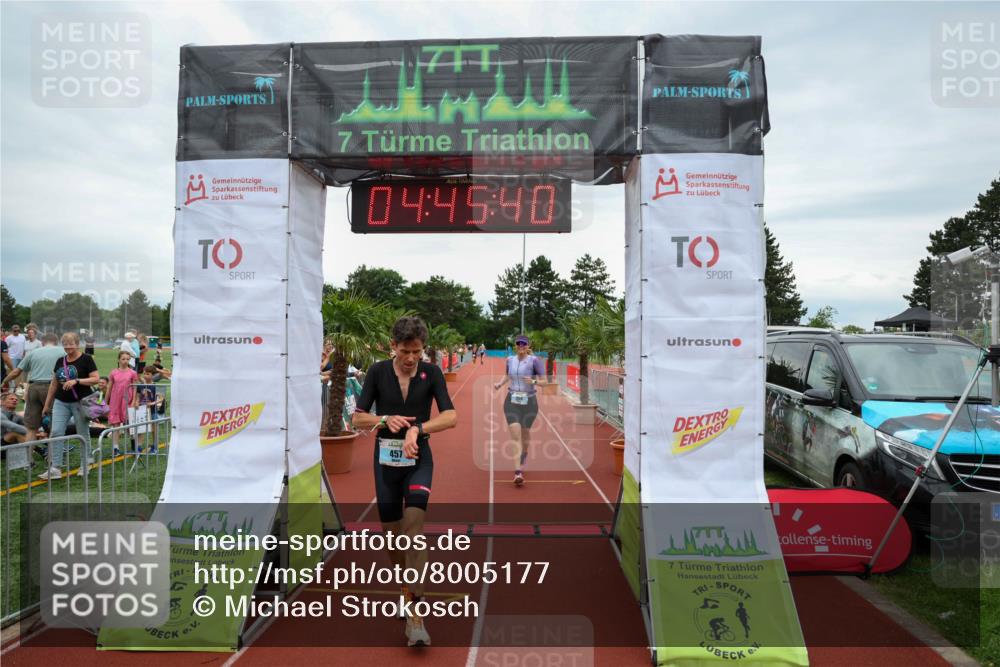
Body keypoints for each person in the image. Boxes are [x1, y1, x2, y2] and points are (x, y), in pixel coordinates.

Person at [351, 316, 457, 648]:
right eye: (406, 351)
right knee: (394, 538)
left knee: (414, 529)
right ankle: (405, 586)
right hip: (385, 464)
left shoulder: (432, 373)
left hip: (418, 460)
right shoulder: (377, 372)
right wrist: (384, 419)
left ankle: (415, 616)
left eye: (417, 352)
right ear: (393, 346)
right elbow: (357, 418)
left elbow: (451, 416)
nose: (411, 358)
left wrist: (417, 429)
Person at [40, 332, 100, 480]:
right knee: (56, 432)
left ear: (77, 344)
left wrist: (77, 381)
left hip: (81, 402)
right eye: (65, 344)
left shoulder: (86, 359)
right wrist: (47, 405)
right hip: (61, 402)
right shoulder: (60, 361)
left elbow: (95, 379)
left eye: (71, 343)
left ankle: (85, 464)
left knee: (82, 433)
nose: (68, 347)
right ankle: (55, 468)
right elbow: (54, 384)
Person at [494, 334, 545, 487]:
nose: (521, 346)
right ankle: (518, 472)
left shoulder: (534, 361)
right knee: (515, 434)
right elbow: (507, 376)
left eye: (524, 344)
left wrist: (534, 381)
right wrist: (499, 384)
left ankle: (524, 454)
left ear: (528, 346)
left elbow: (545, 381)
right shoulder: (510, 360)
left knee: (525, 432)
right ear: (515, 346)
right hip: (512, 401)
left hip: (530, 402)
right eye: (518, 344)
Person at [1, 332, 64, 445]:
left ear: (42, 342)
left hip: (33, 388)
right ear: (56, 342)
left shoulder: (34, 352)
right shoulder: (63, 352)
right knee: (53, 425)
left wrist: (4, 381)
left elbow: (16, 372)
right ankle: (53, 454)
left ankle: (29, 455)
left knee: (31, 427)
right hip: (52, 388)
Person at [107, 351, 138, 455]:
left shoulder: (132, 373)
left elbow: (135, 387)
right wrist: (105, 402)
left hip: (127, 400)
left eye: (127, 359)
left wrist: (134, 400)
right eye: (123, 359)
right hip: (115, 401)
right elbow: (109, 387)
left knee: (129, 424)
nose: (125, 361)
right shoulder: (113, 372)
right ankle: (115, 448)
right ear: (119, 359)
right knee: (115, 424)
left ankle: (134, 445)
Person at [5, 325, 25, 389]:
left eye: (18, 330)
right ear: (12, 330)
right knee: (12, 373)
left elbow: (24, 347)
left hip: (21, 357)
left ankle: (19, 387)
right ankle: (12, 388)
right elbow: (5, 348)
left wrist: (24, 355)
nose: (16, 332)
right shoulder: (9, 338)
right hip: (12, 358)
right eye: (15, 331)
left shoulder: (22, 337)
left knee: (20, 373)